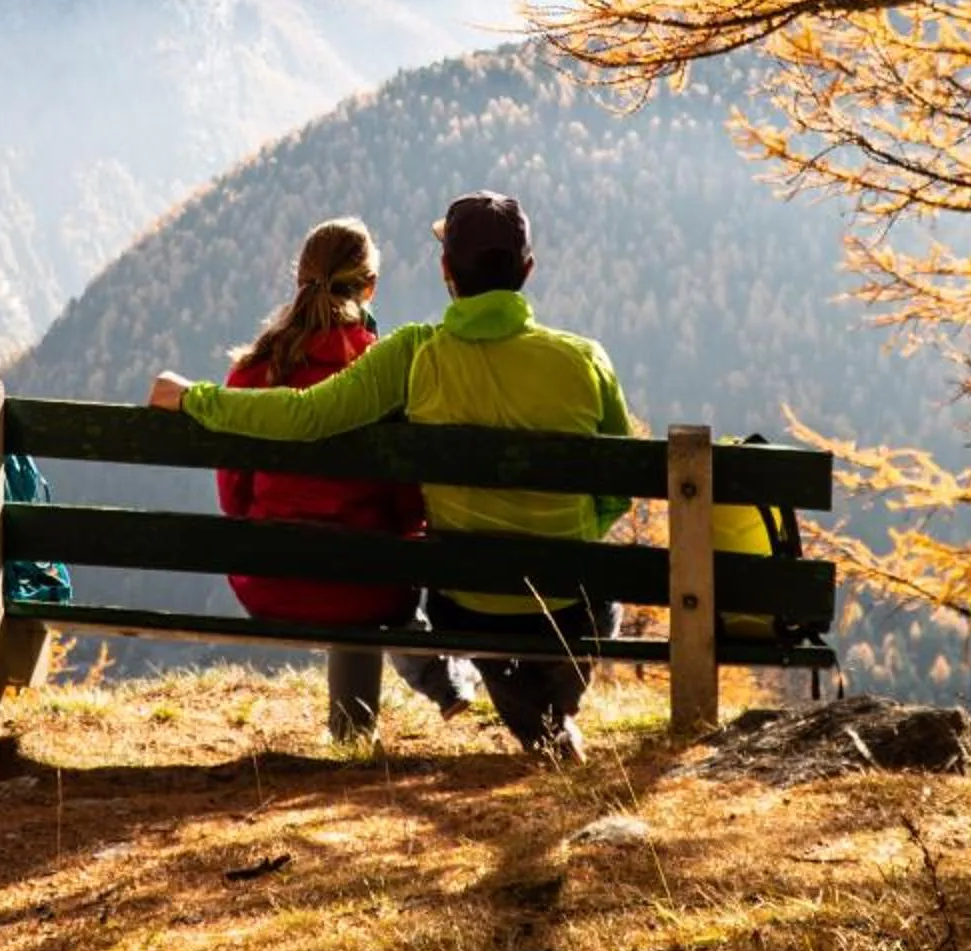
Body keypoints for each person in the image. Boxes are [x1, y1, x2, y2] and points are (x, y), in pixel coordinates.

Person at [152, 192, 631, 760]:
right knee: (601, 591)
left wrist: (195, 398)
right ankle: (549, 716)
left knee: (471, 605)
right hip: (565, 601)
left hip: (465, 602)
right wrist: (572, 534)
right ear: (527, 269)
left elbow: (304, 415)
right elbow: (619, 490)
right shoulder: (585, 360)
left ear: (446, 271)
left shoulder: (413, 354)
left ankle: (540, 720)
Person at [212, 218, 474, 740]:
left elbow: (234, 501)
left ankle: (367, 725)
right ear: (369, 287)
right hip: (369, 588)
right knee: (374, 567)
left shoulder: (252, 372)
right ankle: (407, 701)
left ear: (300, 279)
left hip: (270, 582)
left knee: (357, 566)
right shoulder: (383, 374)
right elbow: (408, 510)